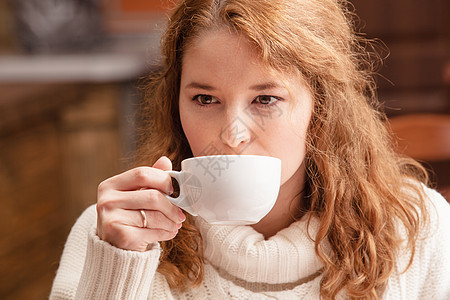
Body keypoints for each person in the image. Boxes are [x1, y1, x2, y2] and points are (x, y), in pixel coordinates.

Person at [50, 0, 450, 299]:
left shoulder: (416, 228)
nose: (232, 134)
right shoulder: (112, 232)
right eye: (205, 99)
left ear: (322, 108)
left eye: (265, 99)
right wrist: (117, 269)